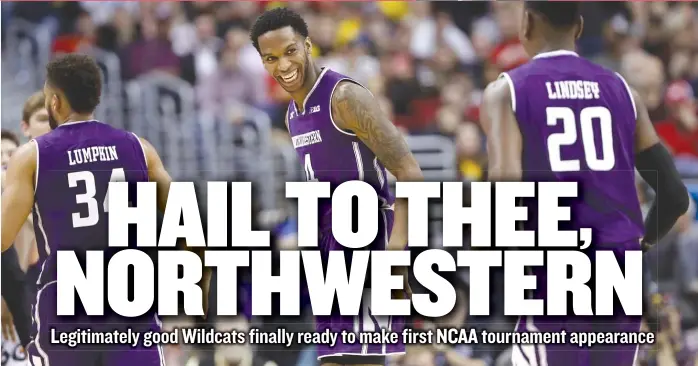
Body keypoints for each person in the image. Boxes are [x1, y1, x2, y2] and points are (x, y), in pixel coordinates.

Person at [480, 2, 690, 365]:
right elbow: (673, 195)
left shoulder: (507, 91)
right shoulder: (624, 91)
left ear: (527, 22)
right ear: (578, 28)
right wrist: (639, 245)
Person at [0, 54, 209, 365]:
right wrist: (198, 293)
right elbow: (191, 227)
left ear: (55, 102)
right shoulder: (139, 147)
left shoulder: (32, 156)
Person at [250, 7, 423, 366]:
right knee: (332, 360)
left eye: (290, 51)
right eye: (271, 58)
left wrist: (395, 257)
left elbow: (410, 174)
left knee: (362, 360)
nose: (282, 65)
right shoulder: (292, 114)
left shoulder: (344, 97)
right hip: (327, 249)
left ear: (308, 44)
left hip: (365, 237)